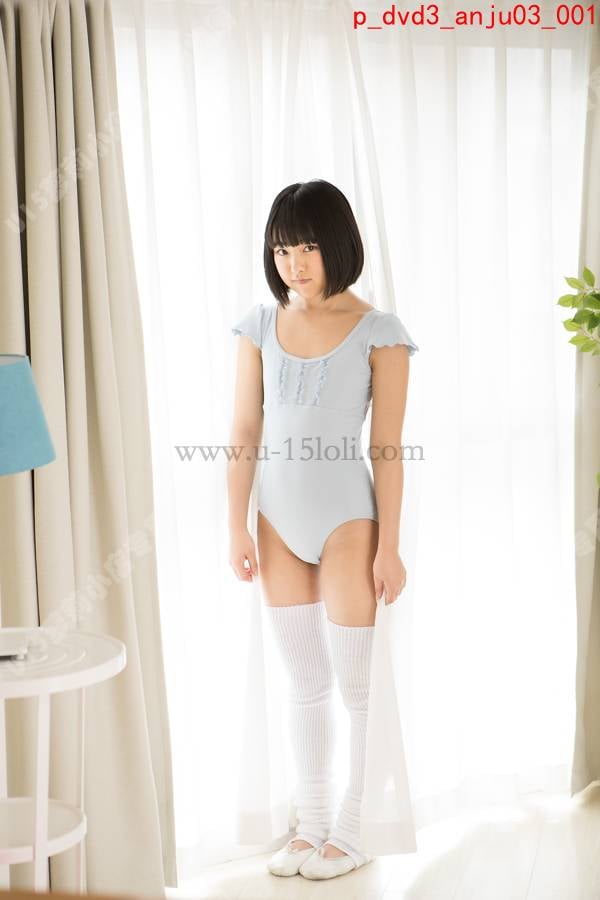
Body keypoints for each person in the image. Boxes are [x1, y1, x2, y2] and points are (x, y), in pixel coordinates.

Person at [227, 179, 418, 881]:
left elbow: (387, 448)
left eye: (306, 246)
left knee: (358, 686)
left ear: (336, 243)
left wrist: (389, 546)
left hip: (347, 521)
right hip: (276, 519)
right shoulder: (259, 325)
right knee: (304, 680)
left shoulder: (379, 332)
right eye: (282, 249)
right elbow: (244, 431)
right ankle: (310, 825)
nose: (294, 263)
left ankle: (355, 827)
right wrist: (236, 526)